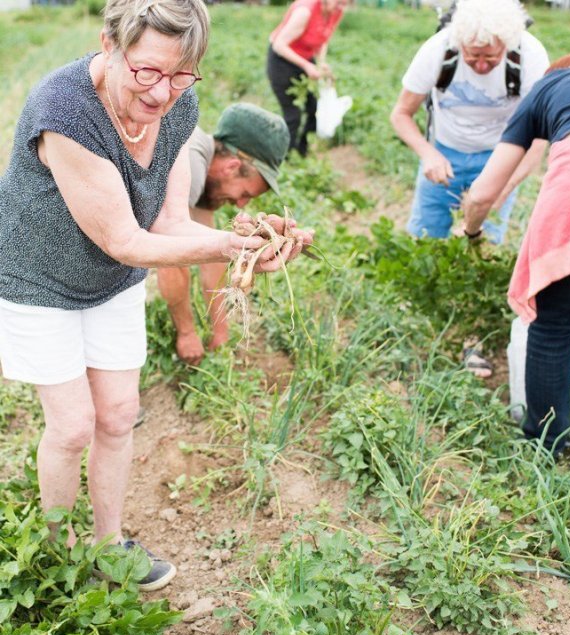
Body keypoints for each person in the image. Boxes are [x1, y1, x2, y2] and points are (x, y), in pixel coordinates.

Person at [0, 0, 312, 592]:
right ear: (110, 46)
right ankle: (58, 554)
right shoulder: (64, 110)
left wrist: (247, 241)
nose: (161, 91)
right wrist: (226, 245)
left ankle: (108, 545)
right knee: (71, 427)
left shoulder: (176, 106)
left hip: (110, 281)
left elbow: (169, 223)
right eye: (146, 71)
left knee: (117, 414)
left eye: (179, 74)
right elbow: (124, 239)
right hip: (34, 278)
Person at [462, 58, 570, 484]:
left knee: (552, 327)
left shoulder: (545, 91)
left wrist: (470, 230)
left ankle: (545, 448)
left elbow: (485, 190)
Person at [390, 0, 549, 244]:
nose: (482, 65)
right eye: (473, 55)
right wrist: (429, 155)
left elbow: (539, 136)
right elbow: (400, 114)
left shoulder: (530, 55)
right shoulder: (438, 49)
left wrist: (503, 188)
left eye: (492, 56)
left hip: (501, 156)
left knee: (484, 242)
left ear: (507, 44)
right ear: (459, 41)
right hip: (444, 151)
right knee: (424, 239)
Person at [157, 103, 290, 365]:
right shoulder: (191, 166)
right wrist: (186, 333)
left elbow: (212, 257)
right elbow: (168, 259)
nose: (241, 205)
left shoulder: (206, 172)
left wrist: (221, 331)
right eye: (245, 194)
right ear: (232, 167)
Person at [267, 0, 348, 157]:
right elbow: (279, 45)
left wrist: (321, 63)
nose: (341, 7)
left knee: (313, 108)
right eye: (339, 2)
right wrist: (306, 66)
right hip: (282, 60)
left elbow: (323, 40)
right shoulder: (305, 11)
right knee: (293, 114)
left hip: (305, 59)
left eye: (346, 3)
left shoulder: (336, 11)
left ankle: (302, 150)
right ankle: (286, 157)